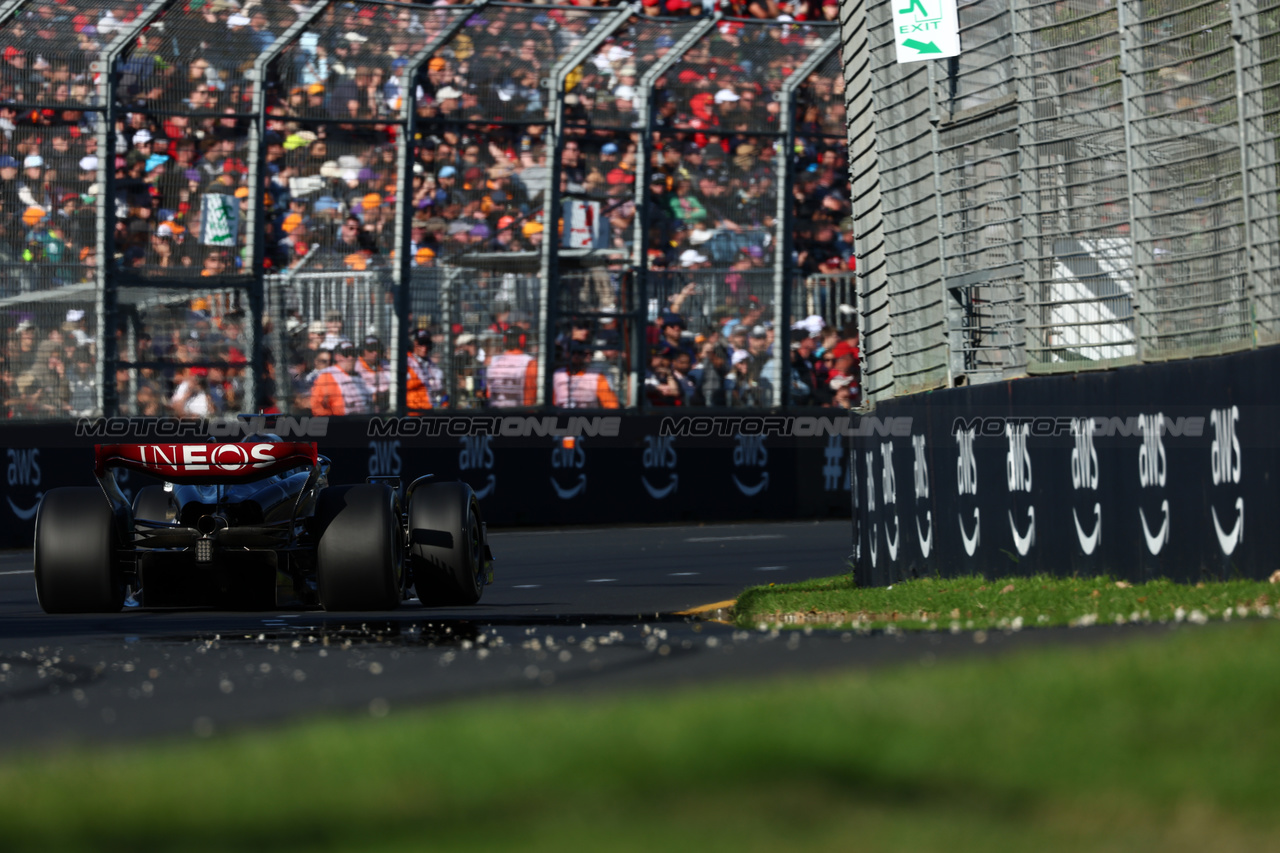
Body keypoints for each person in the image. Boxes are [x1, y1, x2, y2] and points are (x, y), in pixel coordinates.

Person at [309, 339, 373, 416]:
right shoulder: (328, 375)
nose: (351, 357)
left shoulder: (360, 376)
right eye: (347, 354)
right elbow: (317, 405)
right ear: (337, 357)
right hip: (341, 423)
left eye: (354, 354)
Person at [553, 343, 619, 408]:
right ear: (566, 354)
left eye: (580, 352)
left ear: (585, 355)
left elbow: (612, 405)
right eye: (573, 352)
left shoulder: (596, 376)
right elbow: (552, 404)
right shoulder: (557, 374)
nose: (576, 356)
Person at [486, 327, 537, 408]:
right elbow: (529, 398)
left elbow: (489, 394)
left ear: (504, 341)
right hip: (518, 414)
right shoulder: (530, 362)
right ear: (522, 341)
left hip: (495, 413)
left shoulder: (493, 361)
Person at [406, 328, 442, 415]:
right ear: (413, 343)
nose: (424, 347)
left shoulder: (431, 364)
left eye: (427, 343)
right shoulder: (406, 363)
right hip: (413, 414)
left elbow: (439, 387)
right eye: (421, 343)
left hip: (431, 412)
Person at [355, 336, 390, 412]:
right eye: (371, 349)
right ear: (362, 351)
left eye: (377, 349)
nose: (375, 353)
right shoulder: (356, 367)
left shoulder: (385, 364)